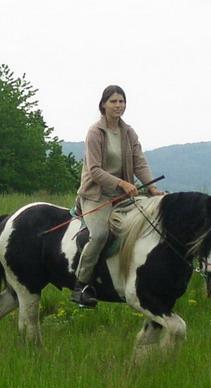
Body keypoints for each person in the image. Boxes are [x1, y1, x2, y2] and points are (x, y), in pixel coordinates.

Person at [72, 85, 163, 307]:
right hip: (96, 195)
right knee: (100, 235)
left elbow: (139, 162)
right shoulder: (95, 132)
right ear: (103, 104)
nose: (118, 105)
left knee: (151, 220)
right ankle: (80, 286)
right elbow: (94, 170)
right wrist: (122, 183)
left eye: (121, 101)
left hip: (122, 196)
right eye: (113, 101)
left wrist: (152, 189)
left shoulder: (129, 132)